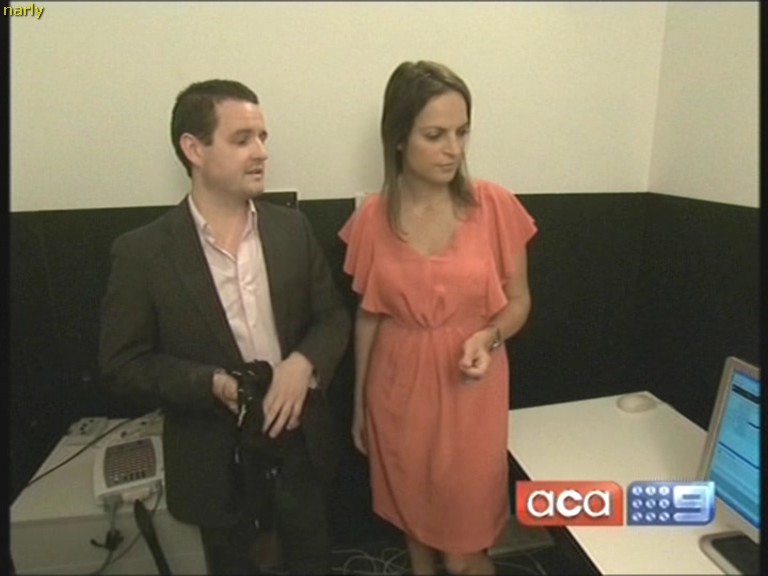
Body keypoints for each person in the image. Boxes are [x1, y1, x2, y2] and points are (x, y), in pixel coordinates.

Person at [99, 79, 350, 575]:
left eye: (263, 137)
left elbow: (332, 317)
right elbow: (122, 365)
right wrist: (208, 383)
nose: (261, 152)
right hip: (215, 465)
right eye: (242, 140)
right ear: (194, 149)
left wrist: (303, 363)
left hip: (300, 451)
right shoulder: (142, 253)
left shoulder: (291, 229)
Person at [338, 61, 537, 575]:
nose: (454, 149)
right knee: (417, 533)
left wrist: (489, 336)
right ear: (398, 138)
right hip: (396, 390)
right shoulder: (373, 217)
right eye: (435, 135)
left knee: (462, 555)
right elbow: (369, 317)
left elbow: (519, 301)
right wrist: (360, 405)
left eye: (462, 132)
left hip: (470, 390)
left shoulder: (495, 205)